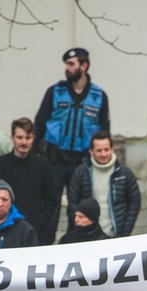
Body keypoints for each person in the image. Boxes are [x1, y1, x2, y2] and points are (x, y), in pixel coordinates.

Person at [34, 47, 111, 241]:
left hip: (81, 163)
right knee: (49, 207)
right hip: (55, 160)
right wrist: (36, 157)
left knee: (76, 209)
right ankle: (44, 247)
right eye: (66, 65)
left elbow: (104, 131)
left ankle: (71, 247)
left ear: (83, 66)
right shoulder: (55, 92)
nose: (67, 69)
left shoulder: (99, 96)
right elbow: (40, 124)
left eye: (71, 64)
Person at [0, 117, 57, 246]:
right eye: (20, 137)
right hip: (4, 228)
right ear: (12, 137)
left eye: (28, 137)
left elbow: (52, 199)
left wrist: (40, 221)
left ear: (33, 138)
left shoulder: (42, 165)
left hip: (34, 229)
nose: (24, 142)